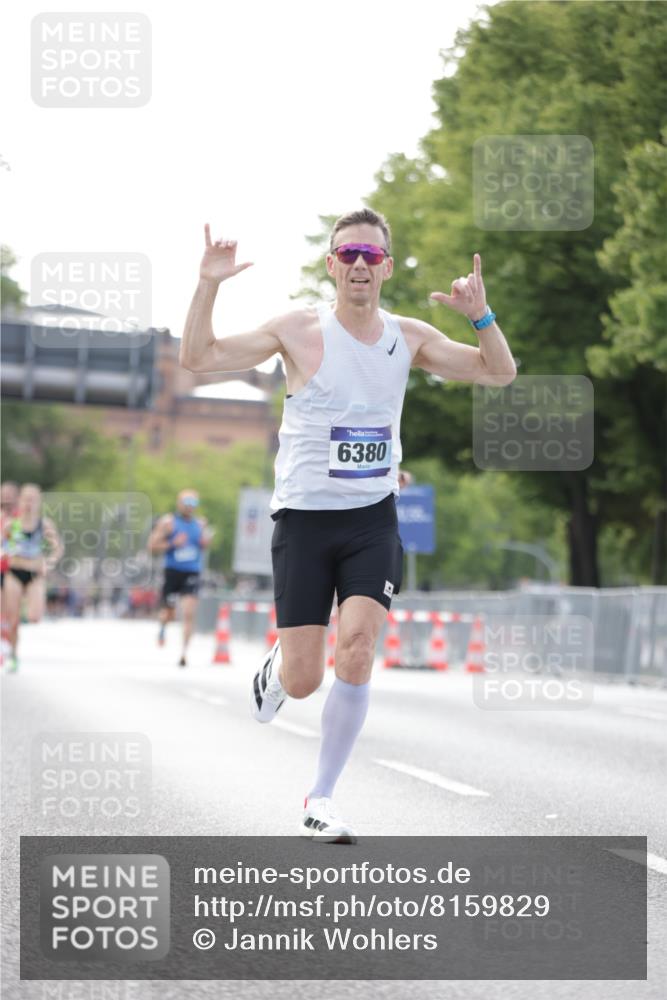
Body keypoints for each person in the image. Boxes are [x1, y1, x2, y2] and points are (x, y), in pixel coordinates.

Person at [180, 208, 517, 842]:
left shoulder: (408, 337)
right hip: (304, 521)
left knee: (358, 649)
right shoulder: (298, 330)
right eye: (349, 254)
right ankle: (281, 668)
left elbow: (498, 371)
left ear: (386, 268)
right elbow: (198, 358)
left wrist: (481, 317)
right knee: (305, 679)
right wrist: (208, 285)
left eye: (372, 255)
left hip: (372, 519)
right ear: (332, 265)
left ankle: (322, 797)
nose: (360, 264)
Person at [1, 483, 63, 672]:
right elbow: (2, 544)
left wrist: (49, 562)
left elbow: (57, 548)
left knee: (35, 617)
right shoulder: (12, 524)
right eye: (26, 499)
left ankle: (26, 605)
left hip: (35, 575)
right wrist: (4, 552)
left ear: (39, 502)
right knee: (13, 621)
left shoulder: (44, 525)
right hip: (14, 573)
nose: (29, 503)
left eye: (33, 500)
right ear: (20, 501)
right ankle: (13, 655)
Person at [148, 489, 213, 667]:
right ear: (179, 503)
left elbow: (204, 545)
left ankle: (184, 653)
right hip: (172, 571)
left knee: (189, 612)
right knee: (167, 613)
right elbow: (152, 545)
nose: (190, 507)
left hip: (192, 572)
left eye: (193, 503)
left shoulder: (200, 524)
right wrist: (172, 543)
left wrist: (204, 543)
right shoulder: (168, 523)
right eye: (186, 503)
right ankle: (163, 626)